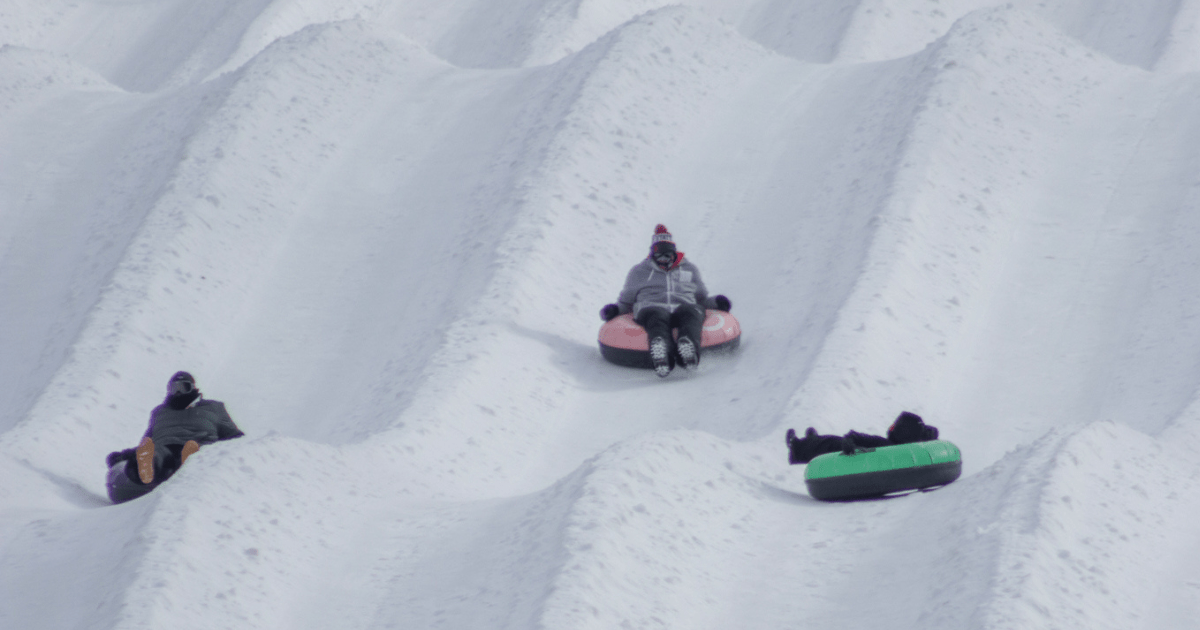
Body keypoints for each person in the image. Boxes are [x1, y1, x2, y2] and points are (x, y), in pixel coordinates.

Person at [599, 224, 731, 377]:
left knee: (692, 311)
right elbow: (626, 303)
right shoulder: (639, 272)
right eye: (660, 256)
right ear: (652, 255)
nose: (664, 260)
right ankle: (662, 354)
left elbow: (701, 299)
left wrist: (717, 303)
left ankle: (687, 350)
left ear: (674, 254)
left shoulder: (689, 269)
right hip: (652, 308)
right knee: (657, 316)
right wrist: (614, 310)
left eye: (667, 255)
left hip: (684, 307)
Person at [106, 371, 244, 485]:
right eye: (174, 388)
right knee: (156, 452)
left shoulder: (214, 408)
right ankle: (147, 471)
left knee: (196, 450)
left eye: (183, 387)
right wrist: (124, 455)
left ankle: (190, 462)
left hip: (200, 445)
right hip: (165, 447)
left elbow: (235, 436)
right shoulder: (160, 412)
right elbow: (147, 442)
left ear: (193, 388)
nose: (178, 392)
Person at [785, 411, 940, 464]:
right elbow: (856, 437)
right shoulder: (888, 445)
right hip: (858, 450)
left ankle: (807, 443)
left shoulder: (908, 451)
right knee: (836, 444)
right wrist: (848, 442)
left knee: (835, 443)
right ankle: (801, 445)